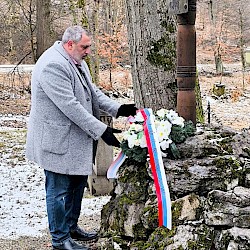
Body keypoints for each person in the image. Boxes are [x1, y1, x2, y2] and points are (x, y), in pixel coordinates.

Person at [25, 26, 137, 250]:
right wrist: (101, 130)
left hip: (73, 140)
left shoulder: (75, 60)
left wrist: (118, 109)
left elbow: (91, 91)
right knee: (58, 191)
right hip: (56, 141)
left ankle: (71, 227)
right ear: (69, 44)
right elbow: (71, 106)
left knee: (77, 185)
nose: (88, 51)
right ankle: (60, 240)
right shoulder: (53, 65)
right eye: (84, 47)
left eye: (88, 47)